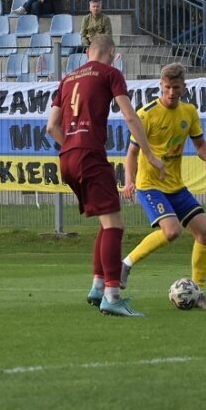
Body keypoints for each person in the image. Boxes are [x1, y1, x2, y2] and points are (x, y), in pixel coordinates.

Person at [46, 34, 166, 317]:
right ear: (111, 52)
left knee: (106, 221)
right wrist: (149, 154)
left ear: (89, 51)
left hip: (67, 157)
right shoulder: (111, 73)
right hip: (90, 154)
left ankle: (98, 286)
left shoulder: (67, 79)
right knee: (115, 225)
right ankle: (112, 295)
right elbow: (130, 116)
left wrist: (72, 148)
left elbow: (51, 126)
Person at [120, 62, 206, 310]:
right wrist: (129, 180)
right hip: (150, 185)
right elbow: (131, 153)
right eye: (167, 87)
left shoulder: (189, 112)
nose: (171, 92)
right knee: (172, 231)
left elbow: (199, 144)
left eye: (176, 87)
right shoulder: (147, 114)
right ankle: (126, 264)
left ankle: (197, 292)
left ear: (184, 87)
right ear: (160, 86)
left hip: (176, 186)